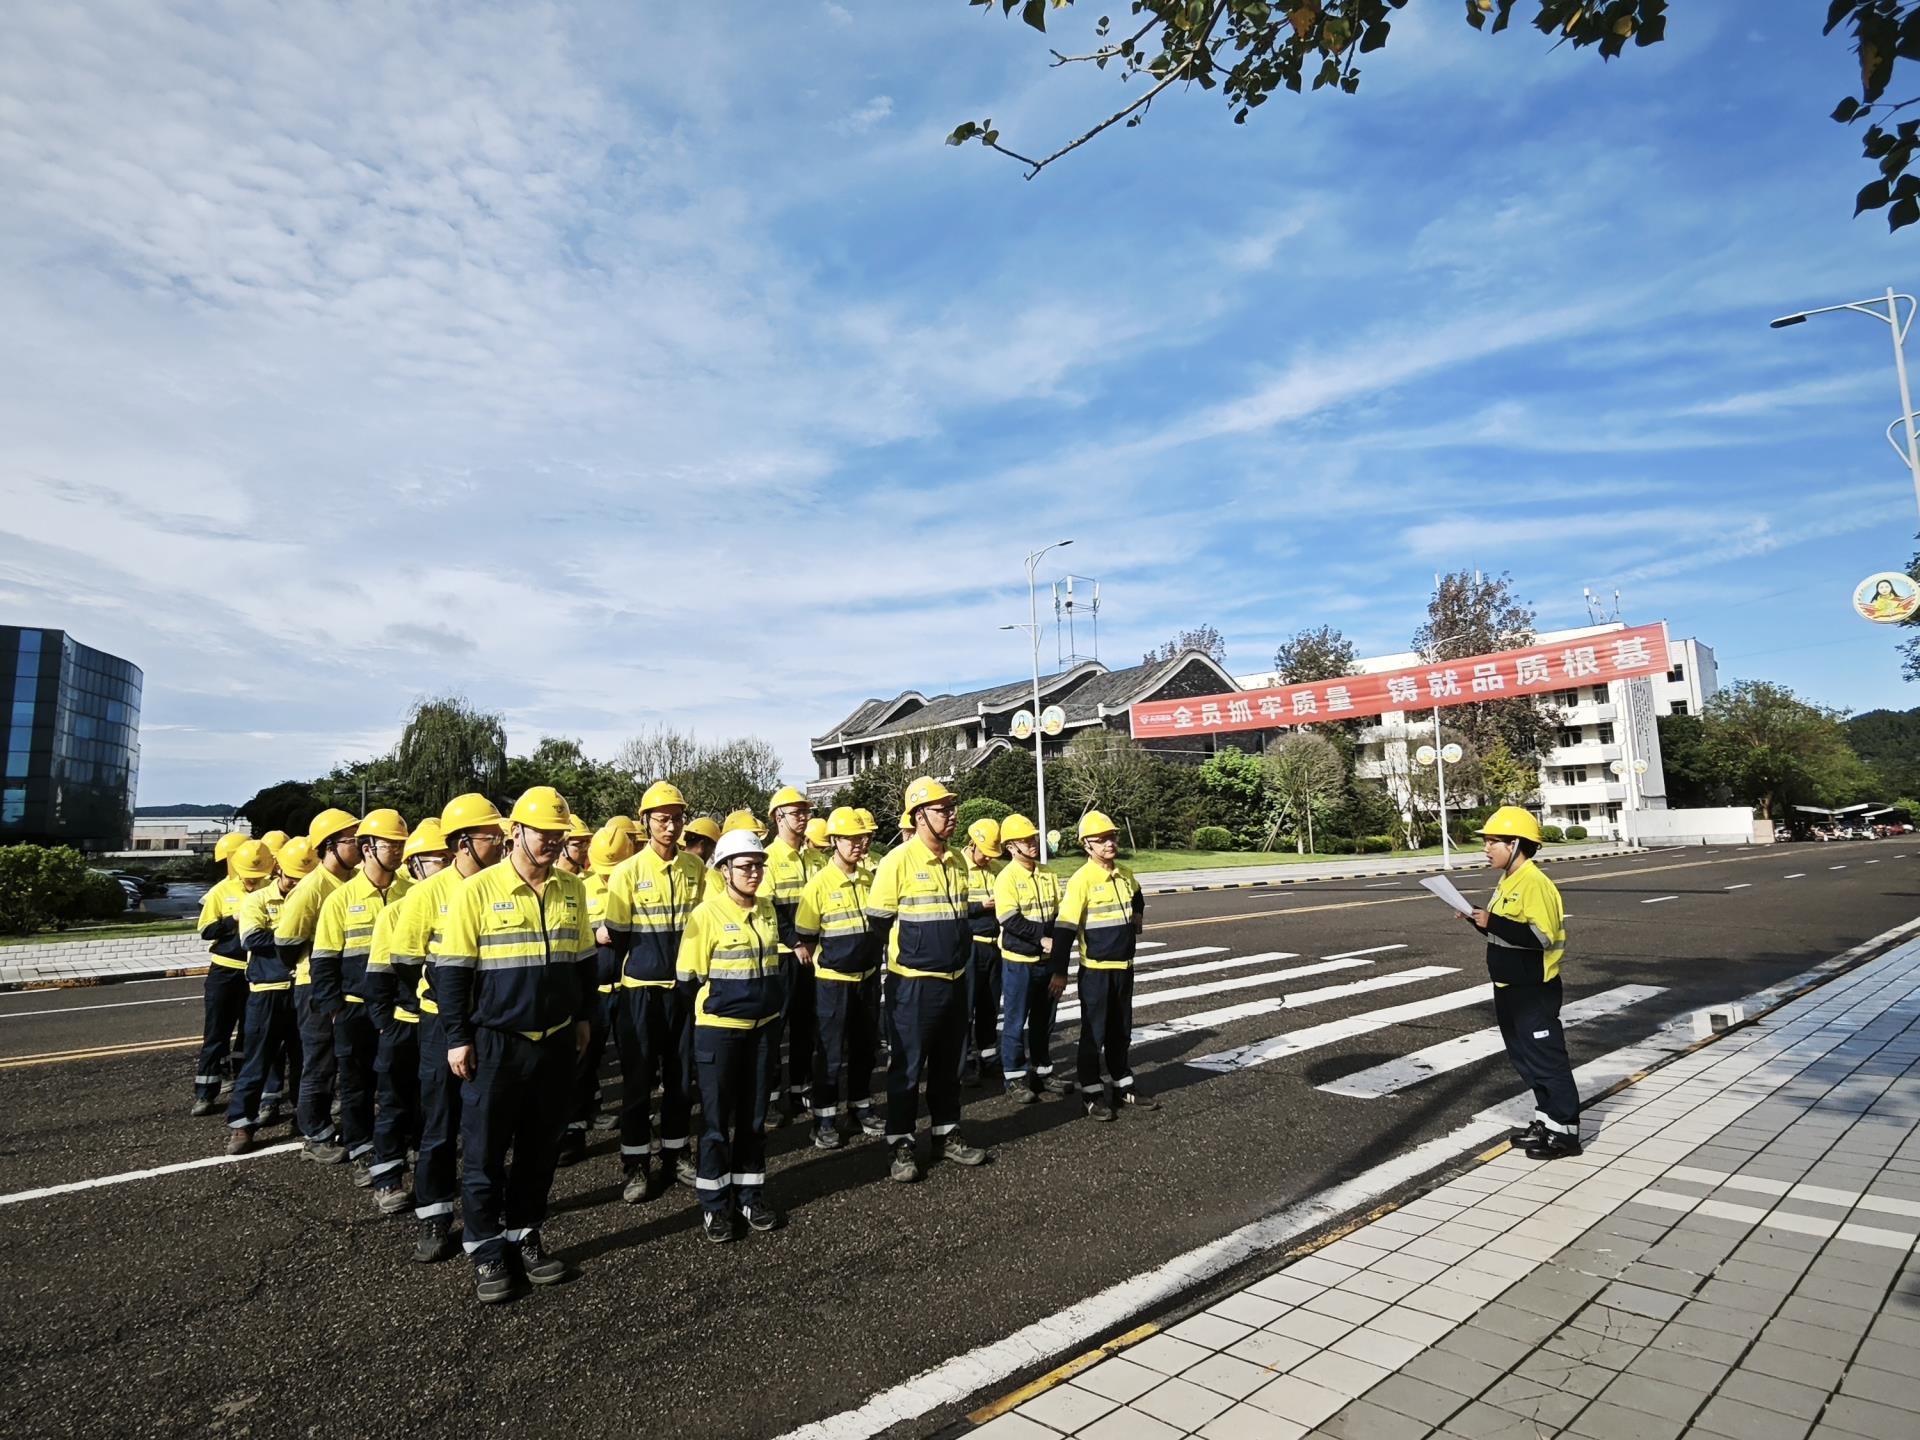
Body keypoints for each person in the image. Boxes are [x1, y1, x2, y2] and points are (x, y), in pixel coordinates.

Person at [436, 786, 597, 1304]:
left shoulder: (572, 889)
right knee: (484, 1152)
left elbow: (583, 962)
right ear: (517, 832)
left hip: (554, 1041)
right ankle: (486, 1249)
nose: (551, 841)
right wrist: (457, 1037)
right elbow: (452, 973)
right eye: (542, 832)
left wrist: (583, 1018)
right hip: (495, 1044)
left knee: (539, 1149)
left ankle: (525, 1233)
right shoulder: (478, 891)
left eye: (558, 833)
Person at [398, 793, 508, 1264]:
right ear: (463, 843)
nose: (501, 843)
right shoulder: (427, 894)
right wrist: (440, 1003)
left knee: (488, 1125)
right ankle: (435, 1215)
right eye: (492, 836)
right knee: (440, 1124)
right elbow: (404, 962)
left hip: (488, 1022)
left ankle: (488, 1212)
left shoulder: (501, 885)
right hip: (441, 1024)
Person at [866, 778, 991, 1183]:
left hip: (954, 980)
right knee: (906, 1067)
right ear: (919, 816)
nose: (951, 815)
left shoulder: (956, 861)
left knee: (948, 1065)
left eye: (952, 807)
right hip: (913, 984)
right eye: (942, 809)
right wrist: (909, 957)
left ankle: (946, 1133)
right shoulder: (897, 861)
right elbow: (878, 923)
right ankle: (901, 1143)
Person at [677, 827, 785, 1242]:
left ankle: (750, 1195)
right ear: (724, 870)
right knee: (716, 1123)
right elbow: (687, 977)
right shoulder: (706, 915)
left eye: (759, 865)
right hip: (719, 1033)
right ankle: (714, 1205)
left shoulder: (768, 910)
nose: (754, 873)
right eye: (745, 866)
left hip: (762, 1031)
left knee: (754, 1121)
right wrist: (723, 1002)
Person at [603, 781, 707, 1202]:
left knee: (681, 1078)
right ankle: (635, 1163)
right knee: (638, 1080)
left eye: (677, 818)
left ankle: (677, 1153)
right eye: (662, 818)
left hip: (683, 989)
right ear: (645, 821)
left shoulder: (695, 868)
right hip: (641, 992)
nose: (671, 826)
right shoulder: (627, 872)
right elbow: (618, 936)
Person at [1460, 806, 1579, 1160]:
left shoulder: (1534, 883)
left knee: (1547, 1060)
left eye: (1493, 842)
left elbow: (1541, 937)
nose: (1486, 849)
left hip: (1533, 990)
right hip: (1508, 987)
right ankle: (1547, 1122)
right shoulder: (1508, 881)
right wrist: (1477, 920)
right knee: (1526, 1060)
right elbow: (1504, 934)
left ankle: (1566, 1133)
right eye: (1486, 842)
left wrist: (1492, 921)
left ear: (1515, 844)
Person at [310, 809, 412, 1190]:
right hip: (354, 1008)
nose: (398, 850)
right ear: (367, 848)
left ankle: (398, 1145)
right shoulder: (341, 899)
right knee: (356, 1083)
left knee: (397, 1081)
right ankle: (361, 1147)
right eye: (391, 844)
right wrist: (335, 1008)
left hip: (396, 1007)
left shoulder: (411, 893)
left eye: (401, 844)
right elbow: (323, 961)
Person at [358, 819, 450, 1215]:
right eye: (437, 859)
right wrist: (386, 1024)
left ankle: (425, 1167)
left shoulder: (460, 903)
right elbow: (379, 978)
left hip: (438, 1025)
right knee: (394, 1104)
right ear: (415, 865)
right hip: (404, 1024)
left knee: (433, 1106)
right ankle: (387, 1178)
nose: (446, 865)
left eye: (448, 857)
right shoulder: (395, 913)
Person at [793, 806, 883, 1147]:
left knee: (864, 1048)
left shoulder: (870, 879)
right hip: (833, 981)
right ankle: (824, 1119)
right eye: (850, 839)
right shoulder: (818, 885)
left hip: (868, 978)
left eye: (863, 838)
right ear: (833, 841)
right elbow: (806, 935)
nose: (859, 845)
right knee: (830, 1053)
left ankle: (860, 1107)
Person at [1054, 811, 1153, 1122]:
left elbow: (1138, 895)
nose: (1110, 843)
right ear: (1087, 845)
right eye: (1102, 840)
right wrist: (1059, 971)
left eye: (1112, 837)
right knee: (1093, 1034)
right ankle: (1092, 1093)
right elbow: (1065, 928)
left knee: (1121, 1031)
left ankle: (1123, 1085)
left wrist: (1138, 914)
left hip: (1124, 967)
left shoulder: (1125, 874)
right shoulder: (1081, 880)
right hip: (1096, 971)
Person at [276, 807, 361, 1165]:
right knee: (320, 1062)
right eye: (352, 840)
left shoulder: (354, 879)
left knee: (345, 1058)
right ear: (329, 846)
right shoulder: (312, 888)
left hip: (348, 983)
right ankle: (315, 1134)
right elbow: (285, 942)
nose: (360, 846)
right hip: (314, 986)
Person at [223, 838, 309, 1151]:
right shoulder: (257, 900)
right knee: (256, 1062)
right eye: (292, 877)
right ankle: (241, 1124)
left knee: (304, 1061)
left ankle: (305, 1117)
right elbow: (251, 939)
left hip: (300, 988)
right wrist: (294, 934)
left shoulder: (310, 897)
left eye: (302, 879)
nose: (296, 883)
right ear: (279, 870)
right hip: (266, 992)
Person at [558, 820, 634, 1166]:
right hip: (596, 992)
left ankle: (633, 1130)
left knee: (636, 1060)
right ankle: (574, 1131)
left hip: (630, 988)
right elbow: (568, 931)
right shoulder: (579, 887)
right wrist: (595, 931)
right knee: (583, 1063)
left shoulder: (633, 883)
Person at [190, 832, 271, 1114]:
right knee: (216, 1033)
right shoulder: (221, 892)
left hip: (256, 972)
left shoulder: (270, 889)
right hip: (225, 971)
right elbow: (206, 930)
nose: (252, 880)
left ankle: (242, 1084)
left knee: (251, 1034)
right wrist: (232, 919)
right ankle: (205, 1093)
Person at [761, 785, 823, 1126]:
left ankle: (800, 1088)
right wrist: (796, 942)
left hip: (813, 955)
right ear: (778, 817)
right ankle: (770, 1097)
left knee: (806, 1024)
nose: (803, 817)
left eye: (805, 812)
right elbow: (769, 907)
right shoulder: (767, 859)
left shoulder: (816, 858)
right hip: (784, 957)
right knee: (775, 1028)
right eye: (796, 812)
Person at [993, 814, 1066, 1104]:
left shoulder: (1047, 873)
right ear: (1011, 847)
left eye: (1033, 837)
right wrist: (1041, 938)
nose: (1032, 842)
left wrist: (1057, 946)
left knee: (1044, 1021)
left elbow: (1059, 913)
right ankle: (1014, 1077)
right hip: (1019, 962)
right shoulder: (1006, 877)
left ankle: (1043, 1071)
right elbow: (1009, 919)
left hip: (1047, 962)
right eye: (1025, 840)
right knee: (1015, 1022)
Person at [959, 818, 1005, 1086]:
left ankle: (989, 1058)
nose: (988, 858)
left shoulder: (997, 869)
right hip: (969, 946)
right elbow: (949, 906)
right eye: (985, 853)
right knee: (965, 1008)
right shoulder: (958, 867)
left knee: (990, 1006)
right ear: (972, 844)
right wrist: (980, 906)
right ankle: (963, 1062)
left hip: (993, 946)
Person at [559, 811, 593, 877]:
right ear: (562, 846)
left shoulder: (591, 879)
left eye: (587, 842)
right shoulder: (544, 877)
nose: (586, 849)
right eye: (580, 844)